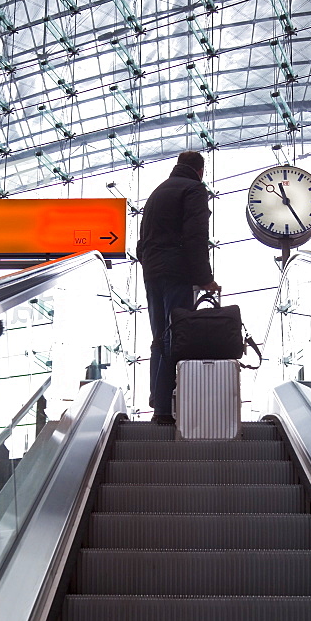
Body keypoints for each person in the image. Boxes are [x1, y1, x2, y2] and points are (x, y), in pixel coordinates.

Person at [137, 150, 221, 424]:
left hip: (152, 270)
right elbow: (195, 236)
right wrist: (204, 277)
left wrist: (151, 265)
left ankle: (157, 399)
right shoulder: (193, 189)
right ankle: (164, 409)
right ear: (200, 171)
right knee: (176, 334)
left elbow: (141, 242)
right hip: (176, 271)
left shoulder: (157, 193)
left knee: (160, 335)